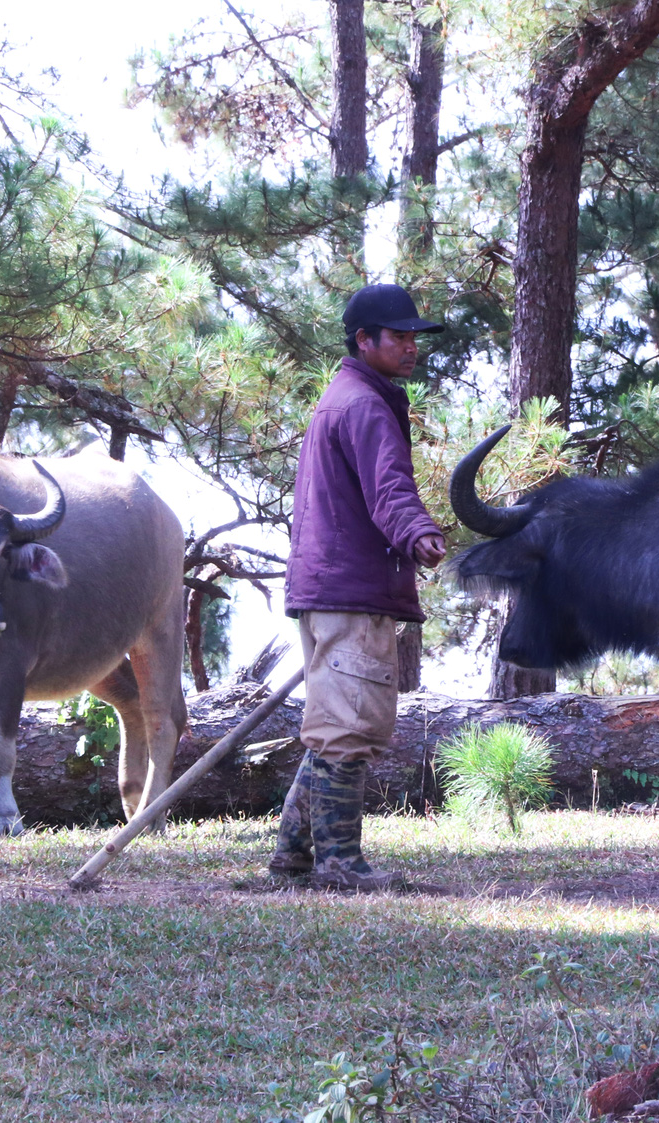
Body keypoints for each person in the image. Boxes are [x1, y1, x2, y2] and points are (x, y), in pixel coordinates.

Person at [270, 284, 449, 890]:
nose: (409, 347)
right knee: (349, 729)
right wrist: (419, 532)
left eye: (413, 336)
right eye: (396, 336)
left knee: (331, 725)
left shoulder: (345, 398)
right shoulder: (365, 406)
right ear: (362, 340)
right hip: (351, 592)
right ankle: (340, 864)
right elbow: (390, 490)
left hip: (328, 589)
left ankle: (293, 858)